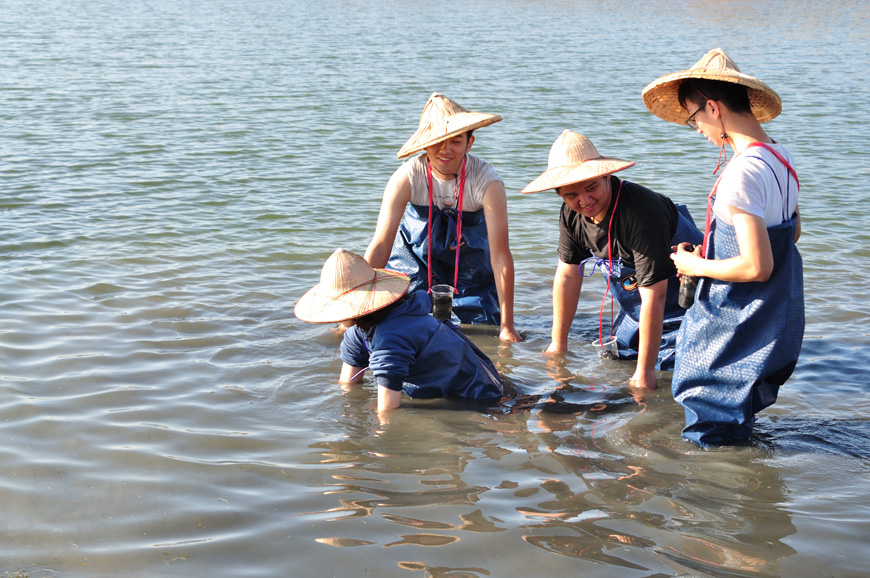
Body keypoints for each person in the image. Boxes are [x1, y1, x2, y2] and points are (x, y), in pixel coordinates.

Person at [642, 48, 804, 446]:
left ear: (713, 108)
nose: (695, 127)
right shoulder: (781, 157)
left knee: (707, 426)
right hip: (775, 316)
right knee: (734, 422)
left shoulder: (741, 172)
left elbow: (755, 267)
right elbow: (792, 232)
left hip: (736, 320)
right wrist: (711, 255)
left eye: (692, 117)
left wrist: (695, 267)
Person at [522, 130, 703, 389]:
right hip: (637, 308)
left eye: (591, 187)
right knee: (615, 361)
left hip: (684, 301)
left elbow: (655, 296)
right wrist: (558, 344)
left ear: (606, 176)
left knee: (669, 376)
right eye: (571, 195)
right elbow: (567, 275)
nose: (584, 201)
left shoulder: (642, 213)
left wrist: (645, 372)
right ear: (559, 193)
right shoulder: (571, 215)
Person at [364, 92, 522, 342]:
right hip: (416, 257)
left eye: (455, 140)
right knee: (400, 324)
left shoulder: (487, 181)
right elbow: (381, 244)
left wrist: (508, 326)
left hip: (471, 260)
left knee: (483, 333)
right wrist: (359, 309)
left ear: (469, 143)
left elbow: (500, 255)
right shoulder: (407, 177)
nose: (445, 149)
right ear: (424, 143)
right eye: (437, 140)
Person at [294, 248, 504, 411]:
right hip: (442, 381)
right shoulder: (357, 331)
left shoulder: (391, 336)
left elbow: (387, 411)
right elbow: (348, 384)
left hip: (476, 393)